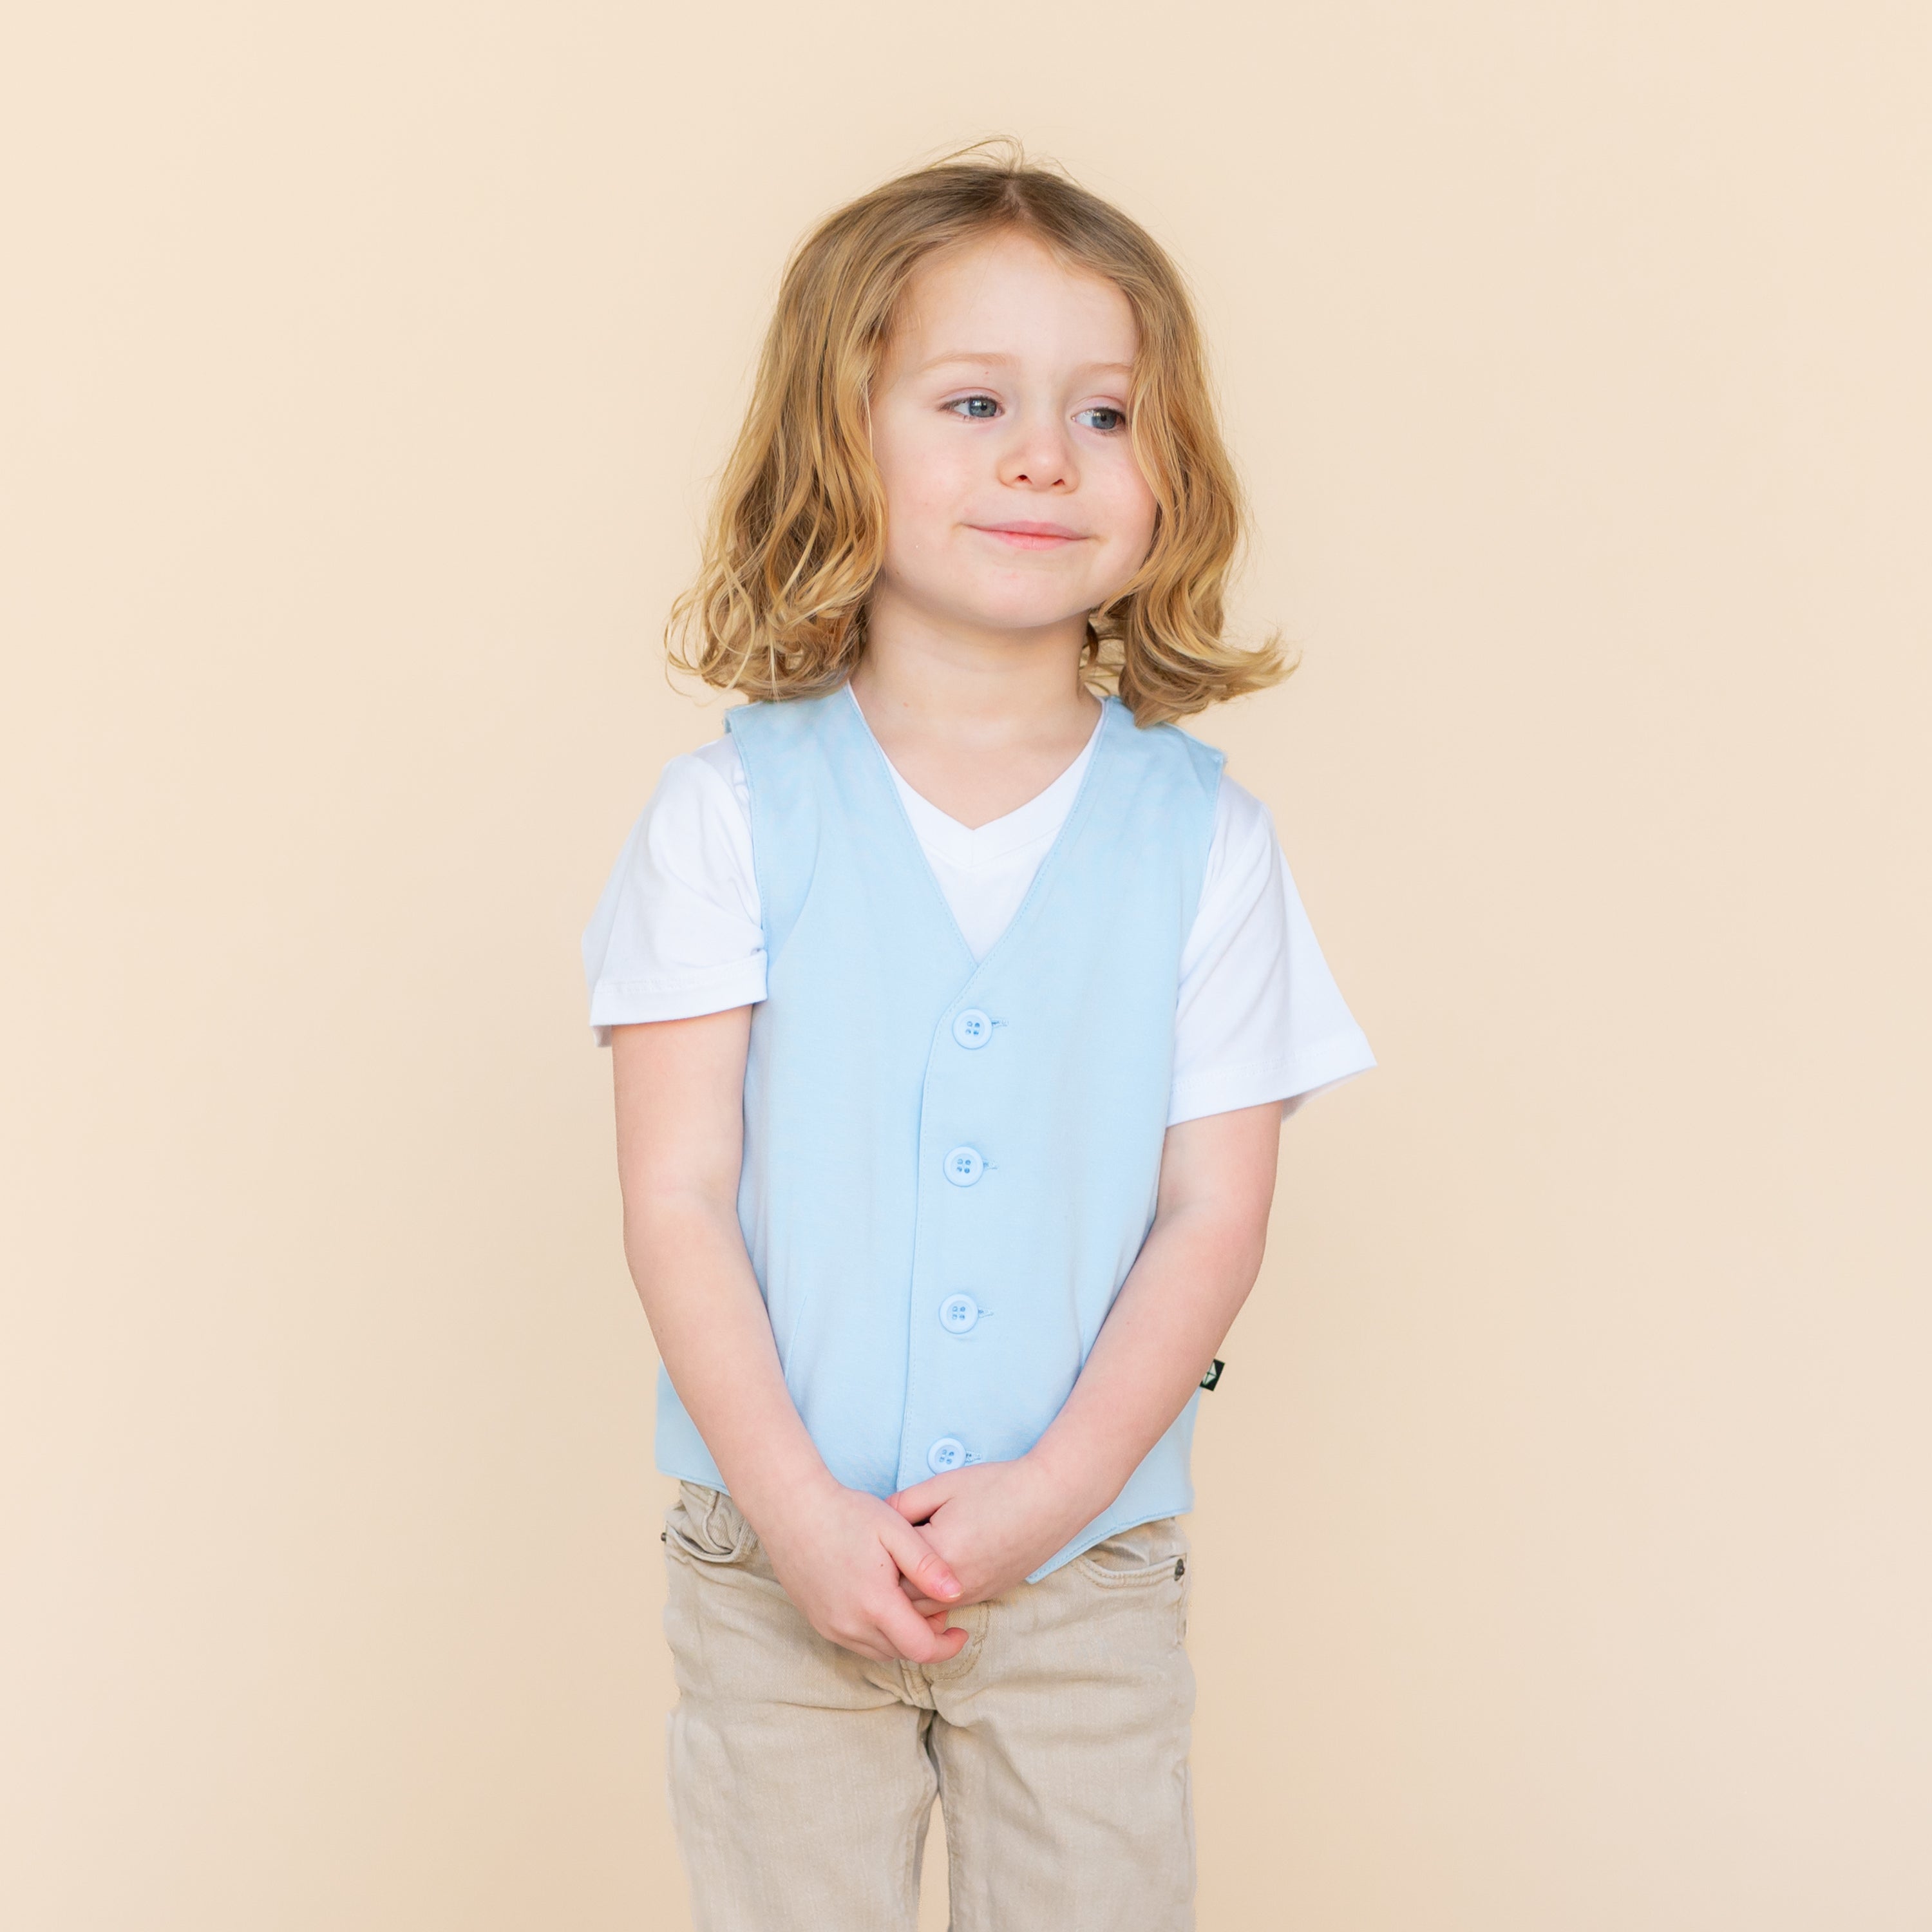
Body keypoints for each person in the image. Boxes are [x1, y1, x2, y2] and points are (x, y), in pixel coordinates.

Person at [582, 146, 1374, 1932]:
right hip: (771, 1557)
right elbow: (677, 1197)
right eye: (973, 403)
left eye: (1107, 413)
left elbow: (1214, 1215)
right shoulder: (726, 818)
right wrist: (797, 1511)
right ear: (839, 442)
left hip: (1085, 1568)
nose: (1045, 458)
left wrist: (1055, 1497)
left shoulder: (1206, 841)